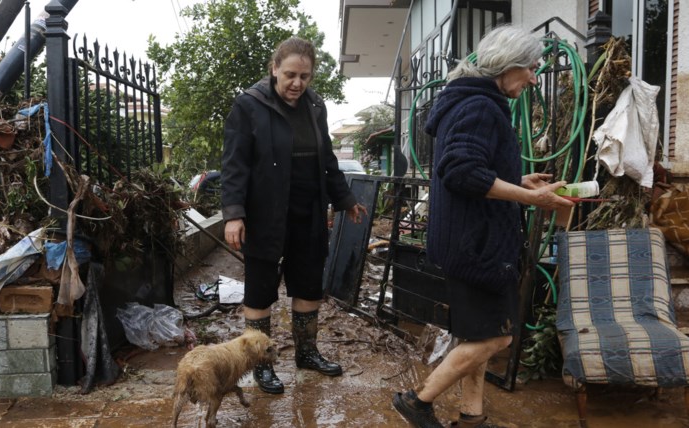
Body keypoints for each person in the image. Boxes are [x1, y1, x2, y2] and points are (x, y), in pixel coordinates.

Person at [392, 26, 574, 427]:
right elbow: (461, 171)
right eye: (530, 67)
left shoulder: (475, 101)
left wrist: (520, 179)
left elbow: (475, 166)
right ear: (506, 65)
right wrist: (530, 199)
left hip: (466, 239)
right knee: (497, 337)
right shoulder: (480, 107)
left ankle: (471, 417)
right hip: (477, 244)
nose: (534, 77)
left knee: (476, 336)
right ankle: (416, 401)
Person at [221, 37, 367, 395]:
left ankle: (307, 353)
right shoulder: (249, 105)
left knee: (308, 287)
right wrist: (234, 214)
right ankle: (262, 365)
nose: (297, 83)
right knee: (259, 294)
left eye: (304, 76)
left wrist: (345, 199)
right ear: (274, 69)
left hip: (308, 213)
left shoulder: (315, 106)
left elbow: (328, 160)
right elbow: (234, 165)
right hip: (264, 215)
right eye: (290, 74)